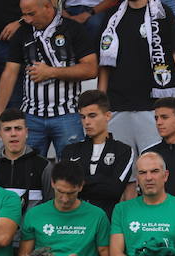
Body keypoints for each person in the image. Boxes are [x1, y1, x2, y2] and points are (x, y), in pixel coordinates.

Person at [96, 0, 175, 156]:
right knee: (122, 175)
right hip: (117, 106)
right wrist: (102, 103)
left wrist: (167, 107)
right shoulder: (112, 17)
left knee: (153, 170)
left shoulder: (163, 14)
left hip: (151, 108)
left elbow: (171, 58)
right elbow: (104, 65)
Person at [0, 0, 96, 157]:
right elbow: (9, 73)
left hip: (67, 113)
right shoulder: (23, 32)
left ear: (47, 7)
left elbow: (91, 69)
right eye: (24, 14)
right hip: (31, 116)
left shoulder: (73, 29)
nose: (27, 20)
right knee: (28, 172)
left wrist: (51, 72)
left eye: (31, 14)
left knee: (70, 171)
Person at [58, 89, 135, 219]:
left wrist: (83, 181)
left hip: (107, 222)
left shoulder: (123, 151)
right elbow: (67, 188)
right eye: (83, 117)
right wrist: (102, 179)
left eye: (92, 116)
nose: (86, 122)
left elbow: (114, 190)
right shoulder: (70, 151)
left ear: (107, 116)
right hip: (74, 222)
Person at [0, 109, 54, 216]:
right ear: (0, 135)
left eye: (18, 128)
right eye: (7, 129)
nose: (13, 134)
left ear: (26, 132)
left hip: (31, 231)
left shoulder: (44, 166)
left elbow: (51, 205)